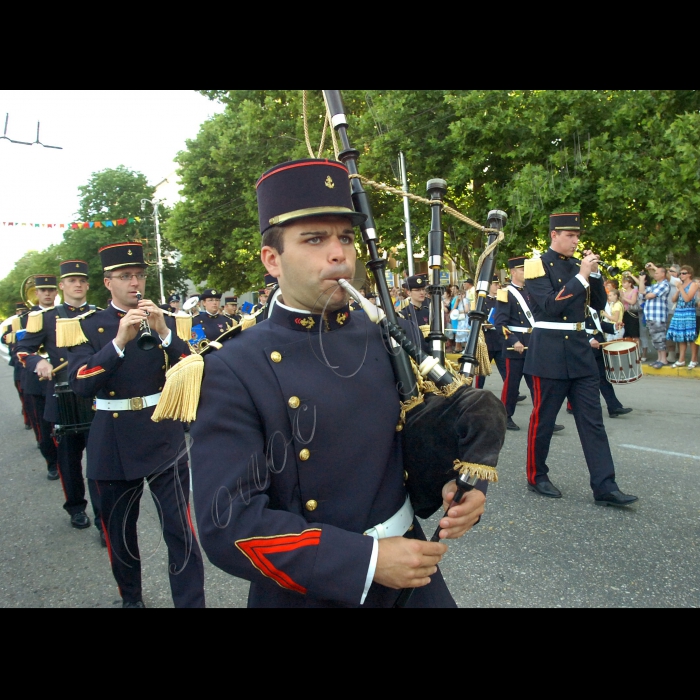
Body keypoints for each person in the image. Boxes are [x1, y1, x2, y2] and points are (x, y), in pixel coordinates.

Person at [190, 158, 491, 608]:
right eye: (314, 239)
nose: (339, 253)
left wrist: (461, 486)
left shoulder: (385, 335)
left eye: (346, 238)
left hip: (412, 570)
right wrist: (366, 561)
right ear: (272, 260)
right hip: (316, 585)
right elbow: (227, 524)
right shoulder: (233, 366)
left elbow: (411, 446)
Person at [67, 242, 205, 608]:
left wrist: (163, 333)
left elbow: (195, 369)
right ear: (108, 282)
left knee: (181, 532)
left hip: (163, 433)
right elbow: (81, 383)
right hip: (112, 438)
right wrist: (118, 342)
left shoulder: (167, 320)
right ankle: (132, 599)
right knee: (121, 535)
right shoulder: (86, 326)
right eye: (125, 276)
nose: (135, 283)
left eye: (140, 275)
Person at [523, 212, 638, 507]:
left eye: (577, 235)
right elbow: (549, 305)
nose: (576, 241)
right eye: (570, 235)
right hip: (548, 352)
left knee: (593, 422)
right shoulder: (536, 266)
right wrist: (582, 276)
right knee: (544, 419)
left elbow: (598, 305)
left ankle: (605, 486)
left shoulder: (578, 267)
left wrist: (595, 276)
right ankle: (536, 475)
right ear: (554, 235)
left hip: (578, 351)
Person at [15, 261, 102, 531]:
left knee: (100, 462)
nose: (77, 284)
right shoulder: (46, 316)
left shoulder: (98, 316)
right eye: (71, 280)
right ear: (62, 286)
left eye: (81, 280)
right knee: (68, 460)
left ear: (87, 285)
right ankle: (76, 507)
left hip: (96, 398)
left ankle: (103, 519)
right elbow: (23, 349)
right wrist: (38, 363)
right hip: (63, 397)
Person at [16, 275, 59, 480]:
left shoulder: (61, 315)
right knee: (43, 428)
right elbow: (21, 348)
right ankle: (51, 462)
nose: (48, 294)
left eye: (51, 290)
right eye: (43, 290)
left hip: (58, 377)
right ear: (37, 293)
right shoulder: (26, 318)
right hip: (35, 380)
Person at [495, 257, 536, 430]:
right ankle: (505, 417)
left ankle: (543, 417)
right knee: (512, 385)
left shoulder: (531, 291)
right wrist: (514, 340)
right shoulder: (505, 293)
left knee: (537, 384)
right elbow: (500, 323)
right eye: (522, 270)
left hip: (532, 344)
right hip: (515, 347)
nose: (525, 273)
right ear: (513, 272)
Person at [585, 307, 633, 418]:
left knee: (603, 378)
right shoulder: (577, 306)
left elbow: (597, 325)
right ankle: (574, 406)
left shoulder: (592, 308)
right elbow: (574, 327)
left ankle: (614, 407)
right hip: (585, 347)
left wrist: (613, 327)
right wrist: (589, 339)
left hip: (597, 346)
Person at [1, 302, 32, 430]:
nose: (21, 313)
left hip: (33, 362)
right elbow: (3, 339)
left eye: (23, 310)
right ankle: (27, 419)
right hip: (19, 364)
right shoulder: (12, 324)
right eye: (19, 311)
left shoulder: (34, 320)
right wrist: (11, 336)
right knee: (23, 393)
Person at [472, 277, 506, 389]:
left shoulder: (501, 300)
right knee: (481, 371)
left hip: (499, 340)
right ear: (489, 286)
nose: (498, 287)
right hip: (486, 341)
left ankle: (512, 393)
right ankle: (477, 391)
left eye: (498, 284)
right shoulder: (481, 301)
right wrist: (484, 324)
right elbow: (472, 319)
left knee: (505, 371)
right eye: (495, 284)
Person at [638, 264, 671, 368]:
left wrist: (647, 295)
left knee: (660, 337)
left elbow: (650, 295)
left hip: (658, 316)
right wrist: (642, 281)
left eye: (656, 273)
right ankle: (659, 358)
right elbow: (642, 291)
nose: (654, 275)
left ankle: (664, 359)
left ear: (663, 274)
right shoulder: (655, 285)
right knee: (655, 338)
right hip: (650, 315)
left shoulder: (664, 284)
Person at [667, 265, 699, 368]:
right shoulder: (681, 285)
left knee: (691, 337)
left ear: (689, 274)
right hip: (679, 312)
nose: (681, 275)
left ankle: (694, 359)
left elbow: (687, 299)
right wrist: (678, 289)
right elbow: (673, 300)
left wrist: (681, 288)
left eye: (684, 273)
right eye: (680, 273)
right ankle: (681, 359)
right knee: (681, 337)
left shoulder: (693, 284)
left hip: (689, 312)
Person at [620, 273, 641, 348]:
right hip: (625, 313)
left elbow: (633, 301)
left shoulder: (634, 291)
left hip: (632, 313)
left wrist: (623, 297)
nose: (623, 284)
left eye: (624, 283)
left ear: (630, 283)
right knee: (627, 334)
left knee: (634, 334)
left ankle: (638, 352)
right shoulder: (624, 292)